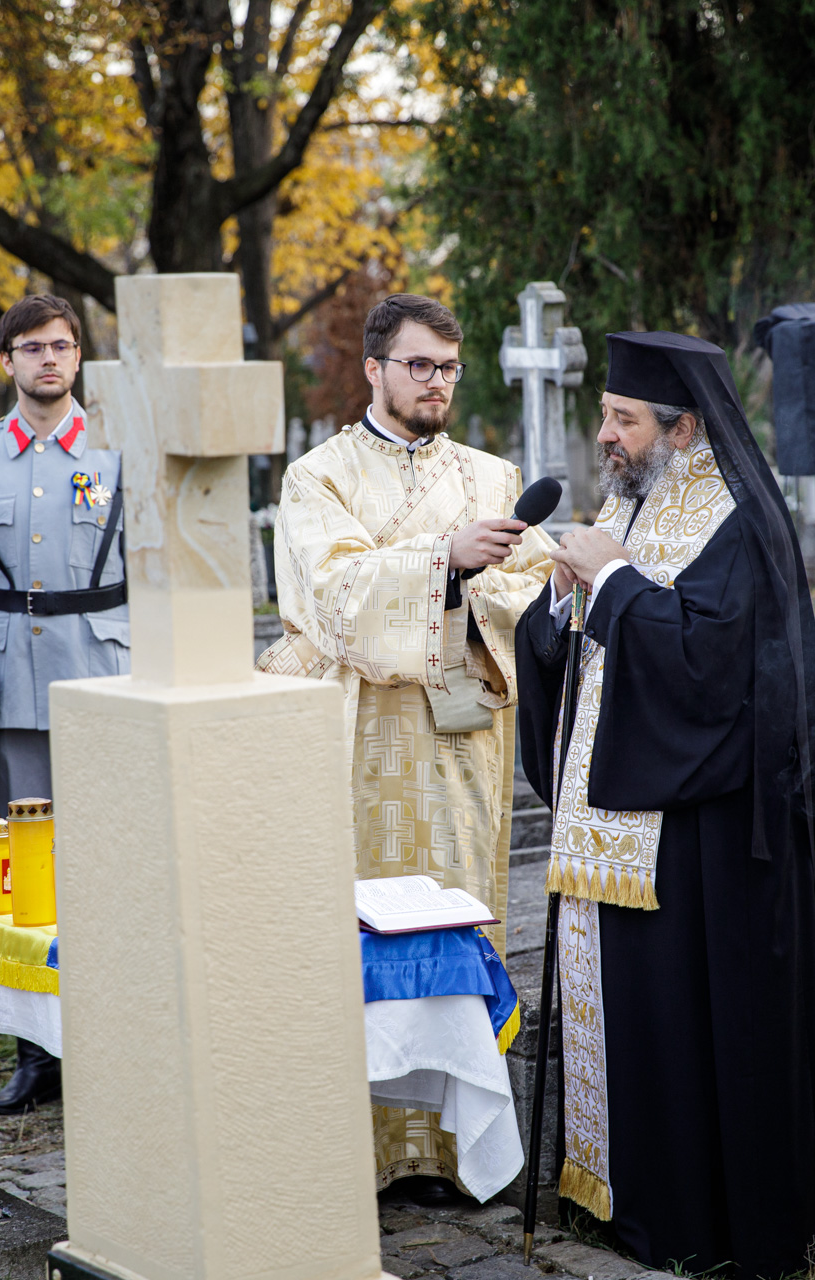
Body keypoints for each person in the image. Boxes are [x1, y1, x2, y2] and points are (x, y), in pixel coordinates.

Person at [515, 330, 815, 1277]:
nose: (607, 438)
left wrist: (614, 582)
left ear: (687, 427)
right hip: (612, 830)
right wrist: (557, 605)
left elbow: (716, 674)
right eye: (605, 418)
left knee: (688, 1030)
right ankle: (626, 1203)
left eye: (624, 420)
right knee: (632, 1024)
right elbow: (580, 655)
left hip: (699, 837)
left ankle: (700, 1223)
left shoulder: (737, 522)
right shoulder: (626, 506)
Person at [266, 292, 554, 1203]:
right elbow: (329, 597)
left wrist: (474, 596)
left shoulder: (493, 476)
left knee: (456, 920)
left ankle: (455, 1145)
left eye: (448, 368)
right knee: (360, 928)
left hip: (460, 736)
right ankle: (359, 1144)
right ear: (376, 369)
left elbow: (538, 586)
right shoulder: (319, 477)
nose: (437, 383)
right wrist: (448, 561)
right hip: (352, 741)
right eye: (420, 365)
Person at [0, 294, 127, 1115]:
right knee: (28, 880)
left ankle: (120, 1039)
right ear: (5, 359)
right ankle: (40, 1057)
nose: (50, 359)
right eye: (33, 347)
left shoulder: (119, 450)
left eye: (64, 346)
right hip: (11, 689)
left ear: (78, 358)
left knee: (116, 864)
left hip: (109, 682)